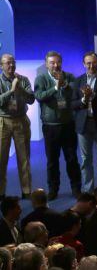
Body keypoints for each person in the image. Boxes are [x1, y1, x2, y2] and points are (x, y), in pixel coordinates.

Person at [35, 50, 81, 200]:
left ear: (61, 62)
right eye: (52, 62)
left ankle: (76, 188)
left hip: (68, 125)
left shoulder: (69, 76)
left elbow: (74, 93)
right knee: (52, 161)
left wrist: (64, 85)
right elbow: (39, 97)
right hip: (50, 126)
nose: (55, 65)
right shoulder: (41, 79)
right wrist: (55, 87)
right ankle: (53, 189)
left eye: (58, 62)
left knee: (72, 158)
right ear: (46, 64)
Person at [72, 51, 97, 193]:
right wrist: (84, 99)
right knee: (85, 160)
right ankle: (88, 191)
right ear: (84, 64)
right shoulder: (78, 81)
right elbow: (72, 104)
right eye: (88, 63)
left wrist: (94, 96)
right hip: (83, 125)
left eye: (94, 62)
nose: (91, 65)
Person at [0, 53, 34, 199]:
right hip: (3, 121)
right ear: (1, 66)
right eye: (8, 63)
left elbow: (31, 99)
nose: (11, 65)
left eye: (13, 62)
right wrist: (12, 91)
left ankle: (26, 191)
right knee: (1, 158)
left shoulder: (23, 80)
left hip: (21, 121)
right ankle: (1, 191)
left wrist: (19, 89)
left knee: (24, 158)